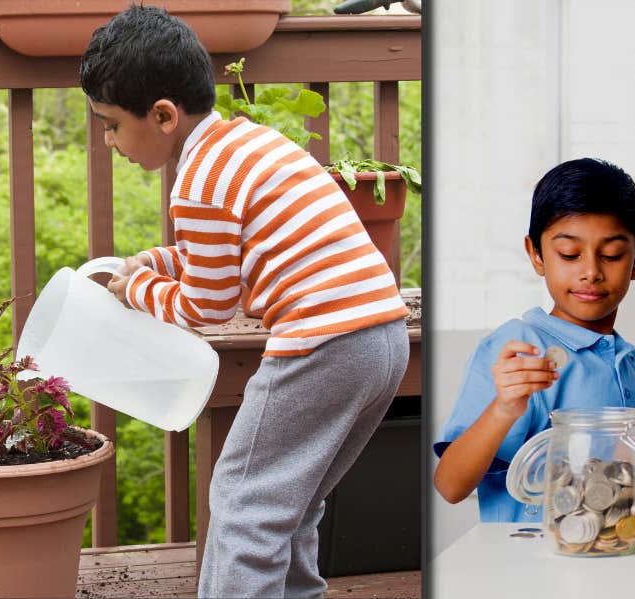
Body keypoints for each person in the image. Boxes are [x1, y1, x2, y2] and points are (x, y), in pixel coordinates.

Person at [79, 7, 410, 597]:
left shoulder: (199, 184)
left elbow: (203, 309)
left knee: (243, 504)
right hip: (379, 339)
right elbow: (227, 259)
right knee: (293, 501)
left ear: (162, 115)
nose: (107, 142)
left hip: (322, 343)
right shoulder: (244, 146)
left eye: (109, 124)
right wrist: (156, 263)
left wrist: (134, 290)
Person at [433, 158, 635, 522]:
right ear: (536, 254)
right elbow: (450, 485)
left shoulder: (632, 363)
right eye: (569, 254)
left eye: (612, 254)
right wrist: (504, 408)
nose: (591, 272)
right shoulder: (518, 349)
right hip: (532, 571)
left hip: (613, 558)